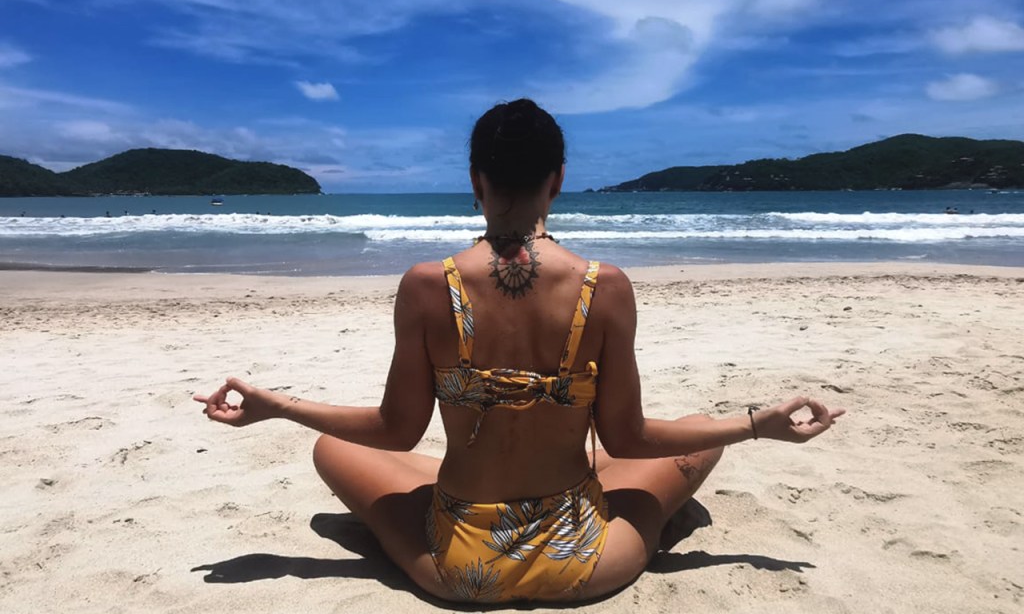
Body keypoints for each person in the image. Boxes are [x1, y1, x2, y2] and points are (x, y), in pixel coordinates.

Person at [193, 98, 844, 603]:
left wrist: (277, 405)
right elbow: (630, 435)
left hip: (456, 566)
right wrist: (757, 424)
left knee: (331, 448)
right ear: (557, 180)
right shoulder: (605, 286)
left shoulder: (426, 285)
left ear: (475, 180)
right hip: (585, 561)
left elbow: (396, 431)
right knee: (702, 433)